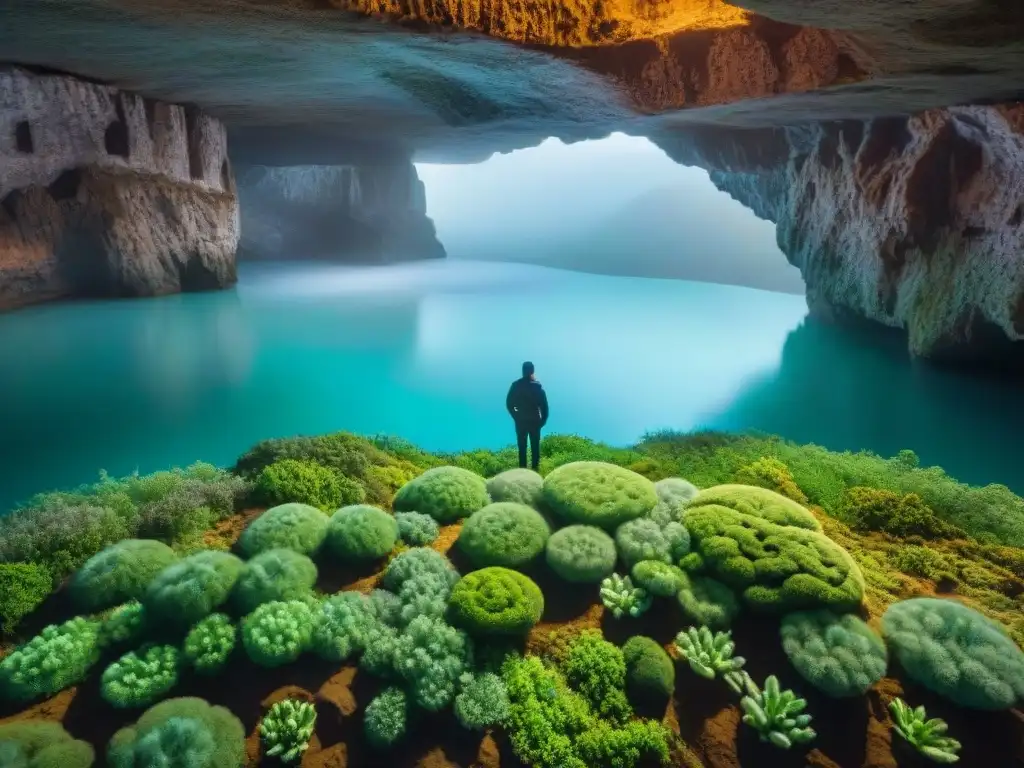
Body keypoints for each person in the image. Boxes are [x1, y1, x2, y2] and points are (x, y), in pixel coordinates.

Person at [506, 361, 549, 471]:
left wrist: (516, 416)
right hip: (534, 420)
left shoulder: (516, 385)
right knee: (534, 448)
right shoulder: (537, 387)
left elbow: (509, 404)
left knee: (523, 447)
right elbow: (545, 408)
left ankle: (523, 472)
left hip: (523, 420)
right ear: (532, 371)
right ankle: (534, 471)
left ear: (523, 371)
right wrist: (542, 421)